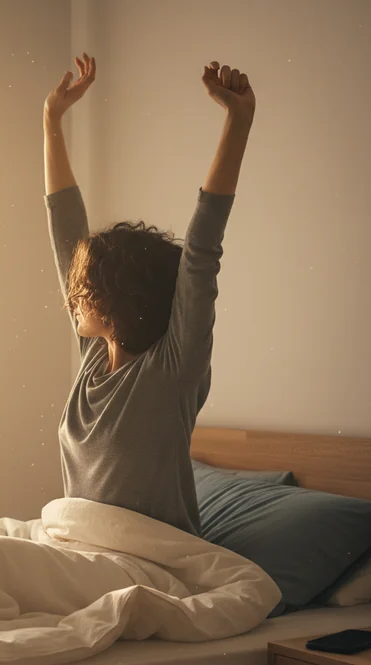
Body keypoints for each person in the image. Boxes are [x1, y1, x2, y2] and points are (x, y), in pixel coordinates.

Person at [43, 53, 256, 536]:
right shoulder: (94, 357)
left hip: (150, 566)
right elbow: (66, 234)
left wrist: (239, 121)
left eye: (86, 285)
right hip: (78, 554)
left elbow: (202, 249)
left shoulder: (173, 369)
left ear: (117, 298)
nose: (74, 293)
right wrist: (52, 119)